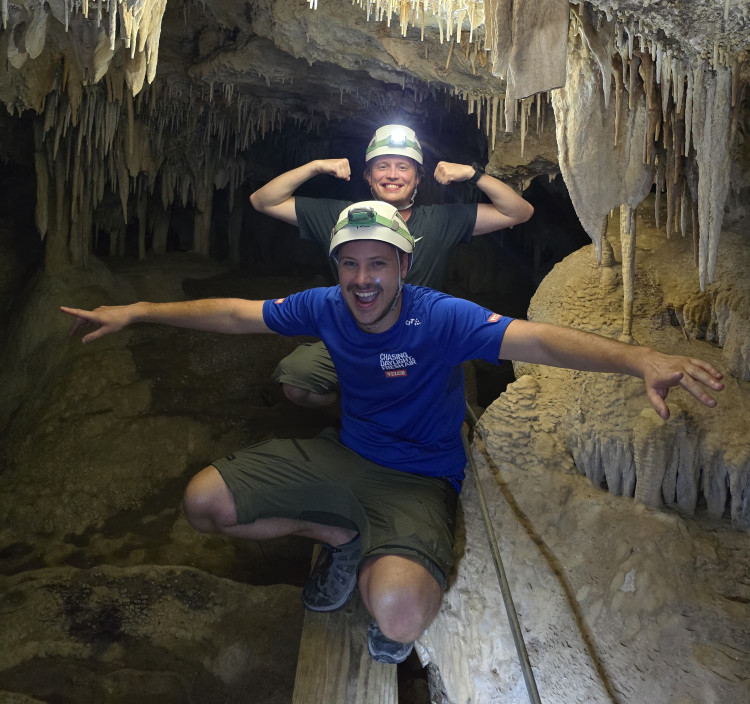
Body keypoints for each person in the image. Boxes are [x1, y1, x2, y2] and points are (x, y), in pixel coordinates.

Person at [61, 201, 724, 665]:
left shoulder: (441, 318)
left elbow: (541, 339)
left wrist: (639, 358)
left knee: (399, 616)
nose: (361, 280)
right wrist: (140, 311)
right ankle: (343, 535)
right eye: (349, 265)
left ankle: (375, 547)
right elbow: (238, 316)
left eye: (377, 264)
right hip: (346, 457)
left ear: (404, 267)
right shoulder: (327, 306)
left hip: (419, 480)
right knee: (203, 502)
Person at [248, 123, 535, 408]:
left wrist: (473, 174)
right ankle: (352, 414)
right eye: (382, 166)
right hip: (354, 338)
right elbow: (263, 201)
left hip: (417, 339)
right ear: (369, 177)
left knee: (418, 396)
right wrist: (314, 166)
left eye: (403, 166)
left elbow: (519, 212)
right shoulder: (344, 217)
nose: (393, 175)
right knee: (296, 381)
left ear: (418, 178)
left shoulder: (440, 220)